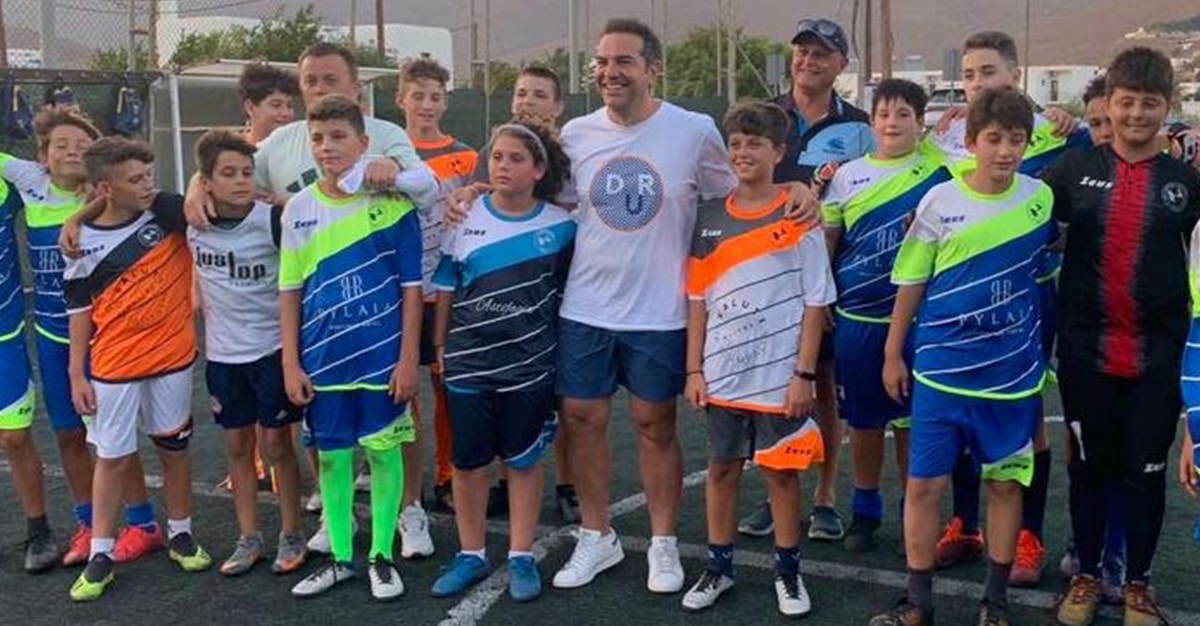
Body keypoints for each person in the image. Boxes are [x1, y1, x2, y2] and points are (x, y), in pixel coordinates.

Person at [185, 41, 437, 556]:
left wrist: (393, 172)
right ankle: (333, 516)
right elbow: (229, 167)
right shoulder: (282, 142)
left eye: (330, 79)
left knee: (398, 414)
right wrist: (195, 185)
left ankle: (410, 510)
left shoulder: (385, 135)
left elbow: (426, 189)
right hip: (316, 307)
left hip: (380, 308)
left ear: (356, 87)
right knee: (324, 422)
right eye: (310, 81)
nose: (320, 89)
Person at [870, 89, 1054, 626]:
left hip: (1010, 378)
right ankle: (918, 604)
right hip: (942, 374)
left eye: (1016, 140)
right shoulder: (939, 201)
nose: (1005, 151)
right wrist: (892, 353)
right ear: (971, 142)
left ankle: (994, 604)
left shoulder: (1040, 198)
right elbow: (911, 280)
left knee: (1004, 485)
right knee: (924, 486)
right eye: (993, 139)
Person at [921, 31, 1089, 586]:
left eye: (988, 72)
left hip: (1029, 300)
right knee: (960, 406)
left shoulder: (1054, 135)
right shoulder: (949, 139)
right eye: (969, 74)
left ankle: (1027, 534)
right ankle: (967, 524)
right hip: (960, 302)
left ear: (1015, 76)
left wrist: (1072, 120)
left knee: (1025, 415)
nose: (976, 83)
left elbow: (1100, 151)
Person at [1050, 47, 1200, 626]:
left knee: (1145, 474)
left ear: (1168, 106)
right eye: (1127, 102)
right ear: (1109, 104)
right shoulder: (1073, 170)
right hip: (1085, 355)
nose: (1137, 114)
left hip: (1157, 361)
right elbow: (1009, 202)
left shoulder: (1184, 182)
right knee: (1088, 470)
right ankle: (1087, 574)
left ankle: (1137, 582)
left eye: (1149, 103)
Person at [679, 102, 833, 618]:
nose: (743, 153)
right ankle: (718, 567)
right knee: (721, 469)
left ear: (778, 152)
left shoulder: (799, 215)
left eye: (756, 144)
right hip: (722, 375)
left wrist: (803, 375)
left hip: (778, 378)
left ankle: (788, 572)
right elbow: (697, 301)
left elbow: (816, 301)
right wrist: (694, 369)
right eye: (736, 144)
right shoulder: (708, 218)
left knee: (781, 476)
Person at [3, 107, 166, 570]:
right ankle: (89, 524)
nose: (72, 152)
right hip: (52, 336)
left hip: (103, 338)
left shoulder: (108, 197)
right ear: (42, 157)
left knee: (112, 437)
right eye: (61, 145)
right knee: (69, 433)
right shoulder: (29, 184)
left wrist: (84, 212)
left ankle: (141, 522)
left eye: (82, 146)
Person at [280, 95, 423, 600]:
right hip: (323, 361)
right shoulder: (298, 209)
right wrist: (291, 362)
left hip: (382, 358)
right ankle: (341, 558)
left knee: (383, 454)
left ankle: (382, 555)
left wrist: (408, 359)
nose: (327, 146)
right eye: (318, 138)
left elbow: (412, 289)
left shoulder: (394, 205)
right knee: (333, 459)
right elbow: (289, 291)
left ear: (363, 143)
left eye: (338, 136)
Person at [740, 17, 875, 542]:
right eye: (802, 51)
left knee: (822, 390)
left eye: (821, 54)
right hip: (767, 277)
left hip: (830, 280)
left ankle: (824, 498)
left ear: (841, 64)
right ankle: (776, 493)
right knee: (771, 390)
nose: (808, 61)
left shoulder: (861, 127)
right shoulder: (765, 116)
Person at [429, 122, 574, 604]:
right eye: (497, 157)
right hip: (469, 362)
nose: (504, 166)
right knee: (469, 463)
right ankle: (470, 553)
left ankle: (521, 554)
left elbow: (568, 293)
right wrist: (441, 345)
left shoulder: (561, 226)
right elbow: (446, 284)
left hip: (530, 365)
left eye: (516, 158)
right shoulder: (463, 215)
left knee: (523, 461)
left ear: (538, 169)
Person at [65, 137, 213, 601]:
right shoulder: (80, 241)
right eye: (135, 179)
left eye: (149, 174)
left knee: (174, 448)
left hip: (172, 358)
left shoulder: (167, 215)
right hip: (114, 365)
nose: (148, 184)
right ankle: (101, 553)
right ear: (105, 189)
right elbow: (79, 311)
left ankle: (181, 533)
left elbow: (203, 201)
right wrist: (76, 373)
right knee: (112, 457)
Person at [821, 79, 951, 554]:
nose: (892, 123)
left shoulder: (941, 172)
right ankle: (865, 510)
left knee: (913, 422)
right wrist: (823, 297)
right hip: (857, 317)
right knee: (865, 421)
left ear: (920, 123)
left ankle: (912, 512)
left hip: (919, 321)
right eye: (883, 114)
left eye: (903, 114)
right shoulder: (846, 176)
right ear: (871, 121)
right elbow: (830, 240)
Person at [464, 65, 580, 524]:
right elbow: (479, 199)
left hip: (559, 280)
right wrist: (465, 195)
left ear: (558, 106)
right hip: (508, 290)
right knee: (501, 389)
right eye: (520, 93)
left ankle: (568, 485)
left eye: (538, 94)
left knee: (564, 396)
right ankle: (505, 481)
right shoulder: (492, 152)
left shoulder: (574, 153)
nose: (527, 101)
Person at [188, 131, 307, 575]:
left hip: (272, 349)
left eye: (246, 172)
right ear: (207, 182)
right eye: (228, 173)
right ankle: (249, 537)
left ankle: (291, 532)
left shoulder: (273, 219)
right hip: (223, 356)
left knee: (276, 443)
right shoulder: (190, 219)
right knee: (238, 445)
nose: (241, 180)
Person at [1055, 74, 1127, 606]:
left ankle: (1117, 555)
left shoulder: (1162, 175)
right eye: (1096, 123)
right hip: (1080, 334)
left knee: (1128, 451)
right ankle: (1085, 547)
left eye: (1111, 121)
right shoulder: (1075, 169)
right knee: (1080, 448)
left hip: (1140, 342)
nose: (1105, 131)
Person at [396, 57, 478, 520]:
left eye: (435, 97)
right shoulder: (388, 154)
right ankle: (407, 483)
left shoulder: (466, 156)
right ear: (401, 99)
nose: (426, 105)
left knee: (447, 387)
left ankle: (448, 475)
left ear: (445, 102)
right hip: (400, 292)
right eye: (418, 96)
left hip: (449, 292)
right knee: (401, 391)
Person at [238, 62, 299, 146]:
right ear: (250, 107)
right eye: (276, 105)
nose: (286, 113)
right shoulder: (231, 149)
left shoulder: (302, 148)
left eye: (290, 106)